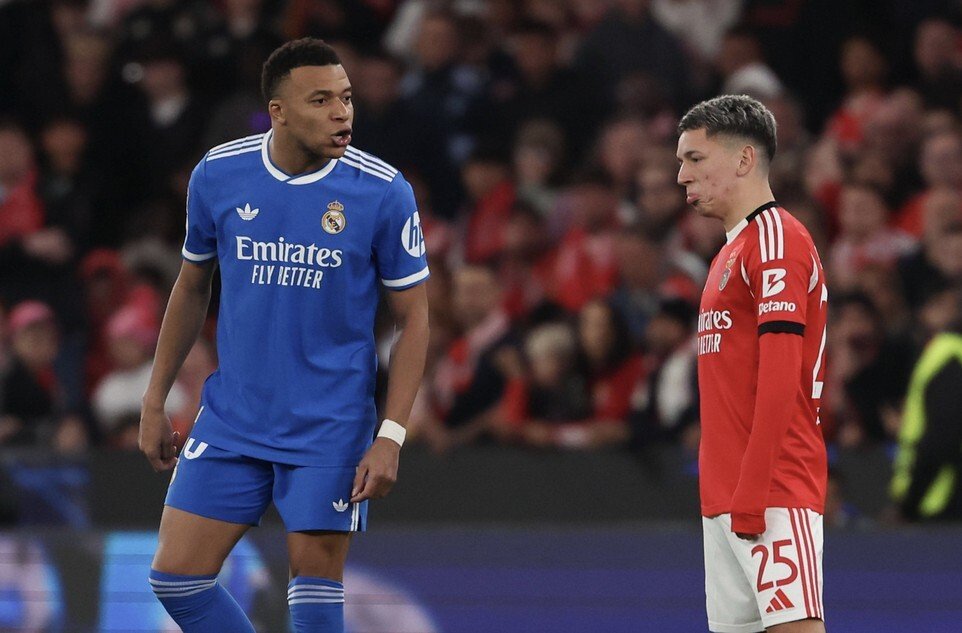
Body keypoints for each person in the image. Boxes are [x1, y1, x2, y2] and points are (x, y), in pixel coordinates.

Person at [138, 38, 430, 633]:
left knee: (314, 602)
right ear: (278, 111)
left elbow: (415, 319)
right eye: (321, 100)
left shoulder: (382, 191)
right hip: (234, 417)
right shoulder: (219, 173)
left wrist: (390, 435)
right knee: (176, 578)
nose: (341, 113)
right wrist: (154, 398)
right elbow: (192, 286)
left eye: (346, 98)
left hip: (329, 426)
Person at [676, 95, 828, 633]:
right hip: (726, 496)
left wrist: (754, 492)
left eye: (695, 159)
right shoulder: (729, 251)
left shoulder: (777, 239)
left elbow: (781, 376)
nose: (682, 175)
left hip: (771, 491)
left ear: (744, 159)